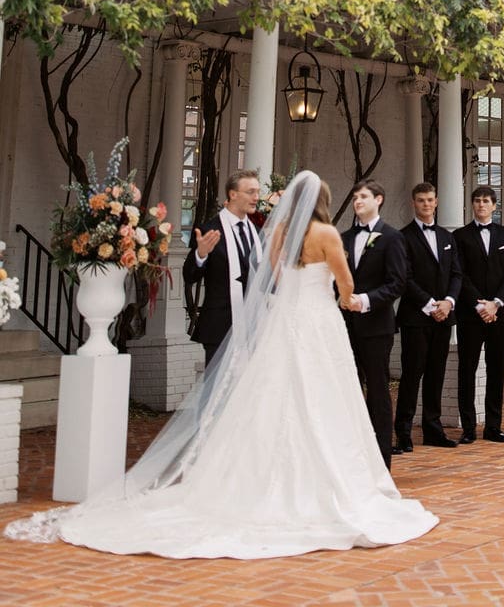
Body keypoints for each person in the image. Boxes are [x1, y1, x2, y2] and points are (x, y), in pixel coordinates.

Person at [6, 172, 438, 555]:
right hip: (320, 327)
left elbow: (270, 282)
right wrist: (353, 300)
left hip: (284, 328)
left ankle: (249, 481)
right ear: (324, 199)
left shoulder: (279, 232)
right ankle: (331, 483)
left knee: (271, 397)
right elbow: (345, 290)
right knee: (326, 399)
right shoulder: (327, 235)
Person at [341, 181, 409, 470]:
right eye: (355, 197)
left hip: (377, 326)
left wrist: (366, 300)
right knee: (348, 389)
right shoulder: (342, 238)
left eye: (364, 197)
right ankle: (353, 455)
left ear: (378, 200)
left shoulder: (391, 238)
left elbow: (397, 283)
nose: (358, 201)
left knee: (378, 389)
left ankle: (381, 459)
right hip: (344, 326)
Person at [394, 181, 462, 453]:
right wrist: (430, 304)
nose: (426, 204)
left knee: (437, 373)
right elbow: (404, 277)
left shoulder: (447, 238)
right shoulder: (402, 237)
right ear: (414, 203)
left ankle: (433, 430)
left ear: (436, 202)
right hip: (416, 316)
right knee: (412, 375)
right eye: (420, 200)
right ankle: (403, 434)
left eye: (430, 200)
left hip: (444, 316)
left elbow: (456, 274)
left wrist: (448, 302)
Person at [453, 184, 504, 443]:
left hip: (501, 314)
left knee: (496, 370)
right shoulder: (460, 236)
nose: (481, 205)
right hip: (471, 314)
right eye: (477, 201)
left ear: (494, 205)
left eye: (486, 201)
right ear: (473, 205)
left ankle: (493, 426)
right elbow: (460, 274)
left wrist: (496, 303)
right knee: (467, 370)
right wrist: (480, 305)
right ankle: (468, 428)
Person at [182, 168, 262, 366]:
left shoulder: (259, 233)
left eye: (258, 192)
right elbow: (189, 275)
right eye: (250, 192)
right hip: (220, 326)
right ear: (233, 194)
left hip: (255, 326)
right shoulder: (209, 230)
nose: (256, 197)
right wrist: (200, 255)